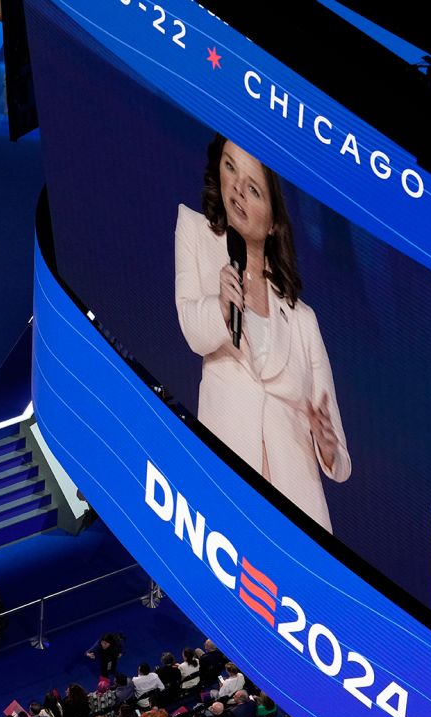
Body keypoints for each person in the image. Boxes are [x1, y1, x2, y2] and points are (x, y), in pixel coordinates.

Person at [175, 134, 351, 533]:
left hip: (297, 506)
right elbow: (192, 330)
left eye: (254, 188)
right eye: (229, 165)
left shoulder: (303, 319)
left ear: (273, 222)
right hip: (229, 485)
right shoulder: (195, 231)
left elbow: (340, 461)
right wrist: (221, 307)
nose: (236, 188)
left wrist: (327, 445)